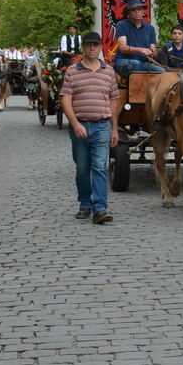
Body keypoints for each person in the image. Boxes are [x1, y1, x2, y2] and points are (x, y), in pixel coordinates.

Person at [59, 32, 119, 224]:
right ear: (83, 47)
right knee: (82, 169)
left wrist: (114, 128)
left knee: (100, 167)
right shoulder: (72, 71)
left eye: (95, 45)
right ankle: (85, 203)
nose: (92, 48)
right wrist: (75, 123)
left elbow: (114, 100)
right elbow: (65, 100)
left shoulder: (108, 71)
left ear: (100, 47)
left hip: (102, 125)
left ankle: (100, 208)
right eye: (88, 45)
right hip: (80, 126)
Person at [113, 1, 165, 74]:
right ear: (129, 12)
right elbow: (123, 48)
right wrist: (141, 50)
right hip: (124, 60)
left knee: (162, 72)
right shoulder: (122, 25)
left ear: (143, 11)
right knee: (136, 64)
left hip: (144, 62)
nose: (136, 12)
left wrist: (153, 53)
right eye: (133, 10)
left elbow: (153, 49)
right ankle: (137, 85)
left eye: (139, 9)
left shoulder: (150, 28)